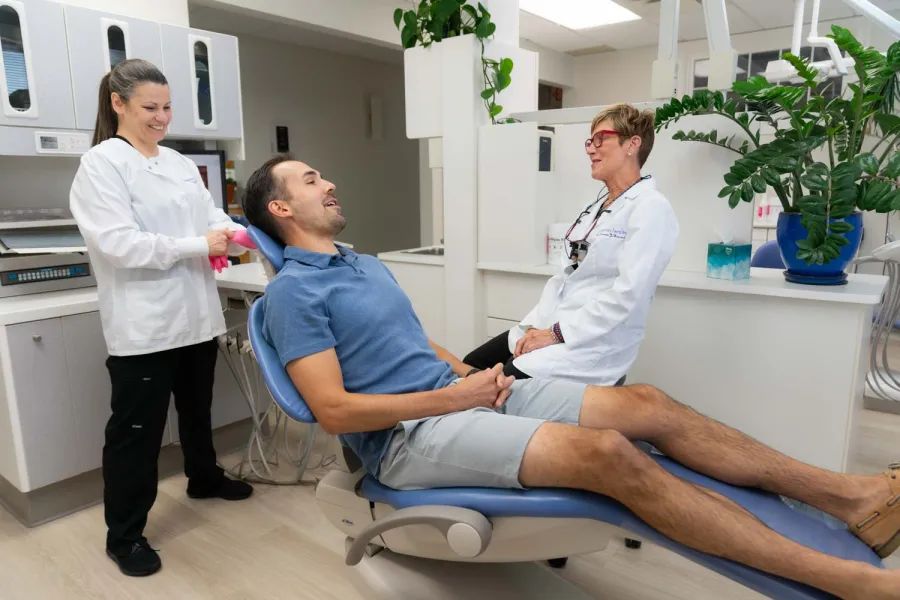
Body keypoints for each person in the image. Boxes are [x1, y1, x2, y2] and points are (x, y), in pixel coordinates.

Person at [240, 155, 900, 600]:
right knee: (610, 455)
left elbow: (412, 345)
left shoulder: (365, 266)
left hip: (463, 399)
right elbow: (331, 411)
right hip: (407, 439)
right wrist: (455, 396)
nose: (327, 183)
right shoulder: (294, 295)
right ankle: (845, 580)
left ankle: (851, 499)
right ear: (282, 211)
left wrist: (479, 375)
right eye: (308, 180)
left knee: (646, 405)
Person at [69, 59, 253, 578]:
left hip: (195, 314)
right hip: (144, 325)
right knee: (136, 433)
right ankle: (124, 535)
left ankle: (204, 476)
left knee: (198, 409)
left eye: (167, 106)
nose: (161, 117)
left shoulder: (174, 161)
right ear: (118, 104)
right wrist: (201, 243)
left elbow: (209, 213)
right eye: (150, 107)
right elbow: (118, 244)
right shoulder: (102, 165)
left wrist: (234, 234)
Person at [464, 103, 678, 384]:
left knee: (497, 382)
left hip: (593, 344)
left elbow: (628, 296)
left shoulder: (651, 208)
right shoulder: (599, 206)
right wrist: (534, 327)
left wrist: (554, 334)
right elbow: (565, 279)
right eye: (590, 141)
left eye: (600, 139)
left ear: (632, 144)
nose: (590, 148)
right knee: (470, 365)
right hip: (557, 324)